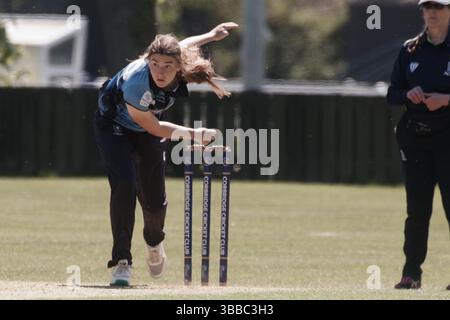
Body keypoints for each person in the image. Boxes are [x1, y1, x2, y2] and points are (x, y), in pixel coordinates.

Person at [94, 22, 238, 286]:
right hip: (114, 126)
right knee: (124, 185)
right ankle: (122, 262)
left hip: (146, 131)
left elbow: (187, 44)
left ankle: (153, 243)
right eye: (155, 64)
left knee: (154, 202)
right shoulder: (137, 83)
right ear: (148, 60)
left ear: (178, 65)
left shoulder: (176, 61)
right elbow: (155, 126)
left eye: (167, 66)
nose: (160, 71)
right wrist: (194, 134)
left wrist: (212, 35)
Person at [387, 0, 450, 290]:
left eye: (439, 7)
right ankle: (411, 274)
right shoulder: (410, 49)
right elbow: (392, 94)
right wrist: (408, 92)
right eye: (427, 8)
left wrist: (446, 99)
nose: (432, 13)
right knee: (417, 211)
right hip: (416, 142)